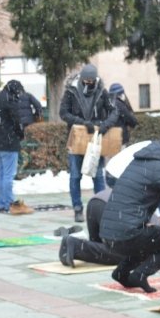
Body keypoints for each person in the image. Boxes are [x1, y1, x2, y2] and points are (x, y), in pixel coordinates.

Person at [59, 137, 160, 293]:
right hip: (124, 232)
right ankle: (140, 274)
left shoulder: (137, 163)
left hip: (107, 231)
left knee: (151, 238)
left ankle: (122, 273)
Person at [60, 64, 118, 222]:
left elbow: (114, 111)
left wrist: (105, 125)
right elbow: (63, 113)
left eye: (91, 80)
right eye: (86, 80)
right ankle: (77, 208)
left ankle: (102, 207)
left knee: (98, 176)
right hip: (77, 138)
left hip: (96, 139)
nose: (88, 83)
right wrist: (82, 122)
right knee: (75, 176)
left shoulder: (101, 91)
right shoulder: (71, 91)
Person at [0, 80, 33, 215]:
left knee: (1, 174)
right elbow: (17, 122)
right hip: (9, 142)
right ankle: (10, 204)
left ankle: (2, 203)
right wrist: (20, 135)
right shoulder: (10, 101)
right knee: (9, 174)